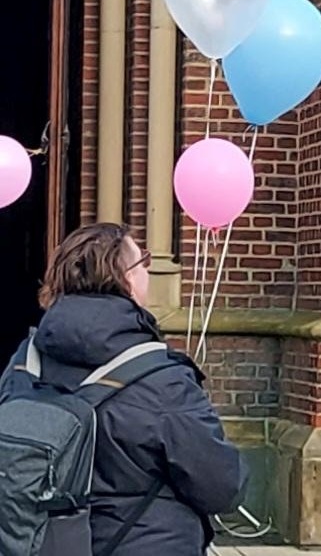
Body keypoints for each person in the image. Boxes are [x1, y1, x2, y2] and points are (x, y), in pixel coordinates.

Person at [0, 223, 246, 554]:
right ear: (127, 278)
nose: (148, 270)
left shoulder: (25, 360)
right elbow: (222, 487)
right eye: (143, 261)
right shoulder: (164, 381)